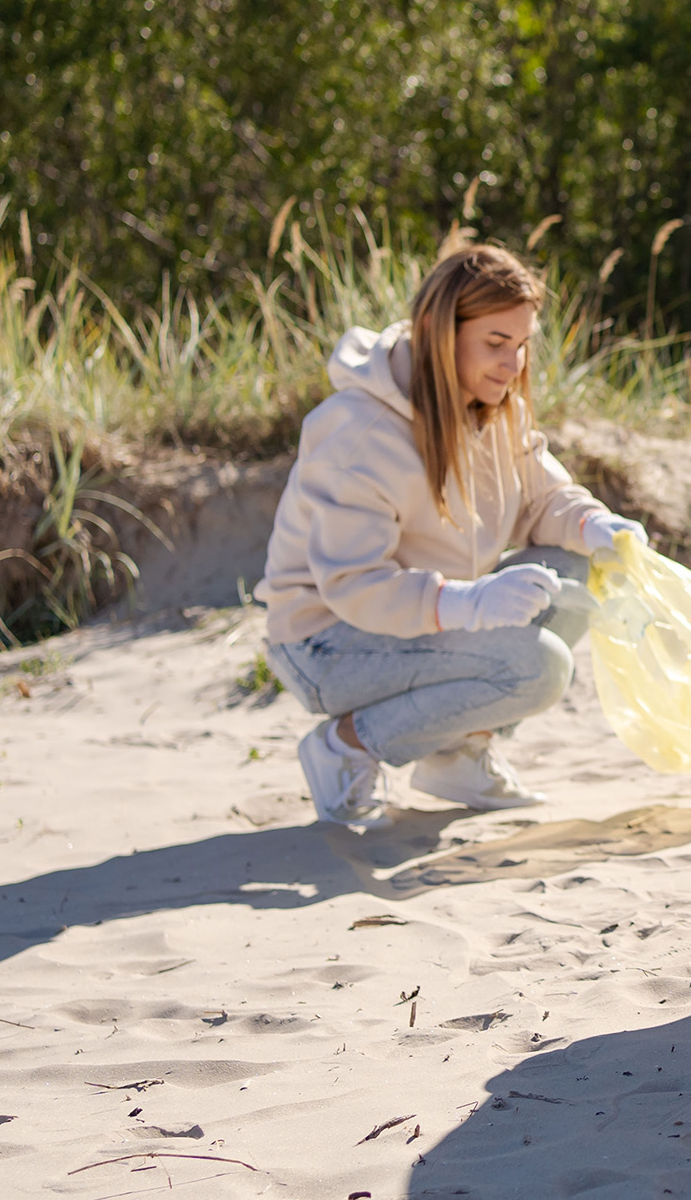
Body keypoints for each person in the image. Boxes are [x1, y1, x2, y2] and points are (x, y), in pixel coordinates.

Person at [256, 245, 647, 830]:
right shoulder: (359, 432)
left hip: (417, 619)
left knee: (574, 568)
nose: (513, 364)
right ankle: (345, 746)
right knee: (536, 668)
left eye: (521, 345)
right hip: (325, 642)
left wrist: (598, 527)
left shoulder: (495, 406)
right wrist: (463, 603)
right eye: (495, 343)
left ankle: (457, 755)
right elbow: (352, 584)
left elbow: (543, 500)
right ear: (441, 333)